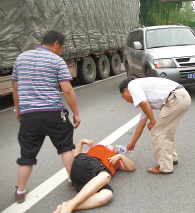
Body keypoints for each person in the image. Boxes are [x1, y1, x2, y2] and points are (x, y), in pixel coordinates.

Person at [12, 30, 81, 203]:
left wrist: (18, 110)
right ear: (56, 44)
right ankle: (73, 181)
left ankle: (20, 191)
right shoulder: (56, 60)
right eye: (62, 48)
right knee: (65, 147)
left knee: (26, 154)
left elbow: (15, 89)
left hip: (29, 115)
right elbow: (67, 90)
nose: (61, 51)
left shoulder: (21, 59)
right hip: (53, 113)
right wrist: (76, 114)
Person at [119, 77, 191, 174]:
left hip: (175, 98)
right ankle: (172, 158)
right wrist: (133, 143)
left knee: (157, 131)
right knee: (166, 130)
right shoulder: (146, 98)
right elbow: (142, 123)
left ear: (126, 90)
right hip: (182, 97)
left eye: (123, 97)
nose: (125, 100)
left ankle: (164, 166)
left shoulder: (132, 84)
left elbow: (144, 104)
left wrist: (153, 121)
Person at [53, 139, 135, 213]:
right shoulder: (96, 149)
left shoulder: (117, 161)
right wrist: (81, 143)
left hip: (91, 180)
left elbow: (132, 167)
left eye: (115, 150)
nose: (113, 147)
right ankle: (70, 205)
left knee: (107, 195)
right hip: (85, 165)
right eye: (109, 146)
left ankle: (68, 205)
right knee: (105, 175)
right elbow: (75, 158)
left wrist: (121, 156)